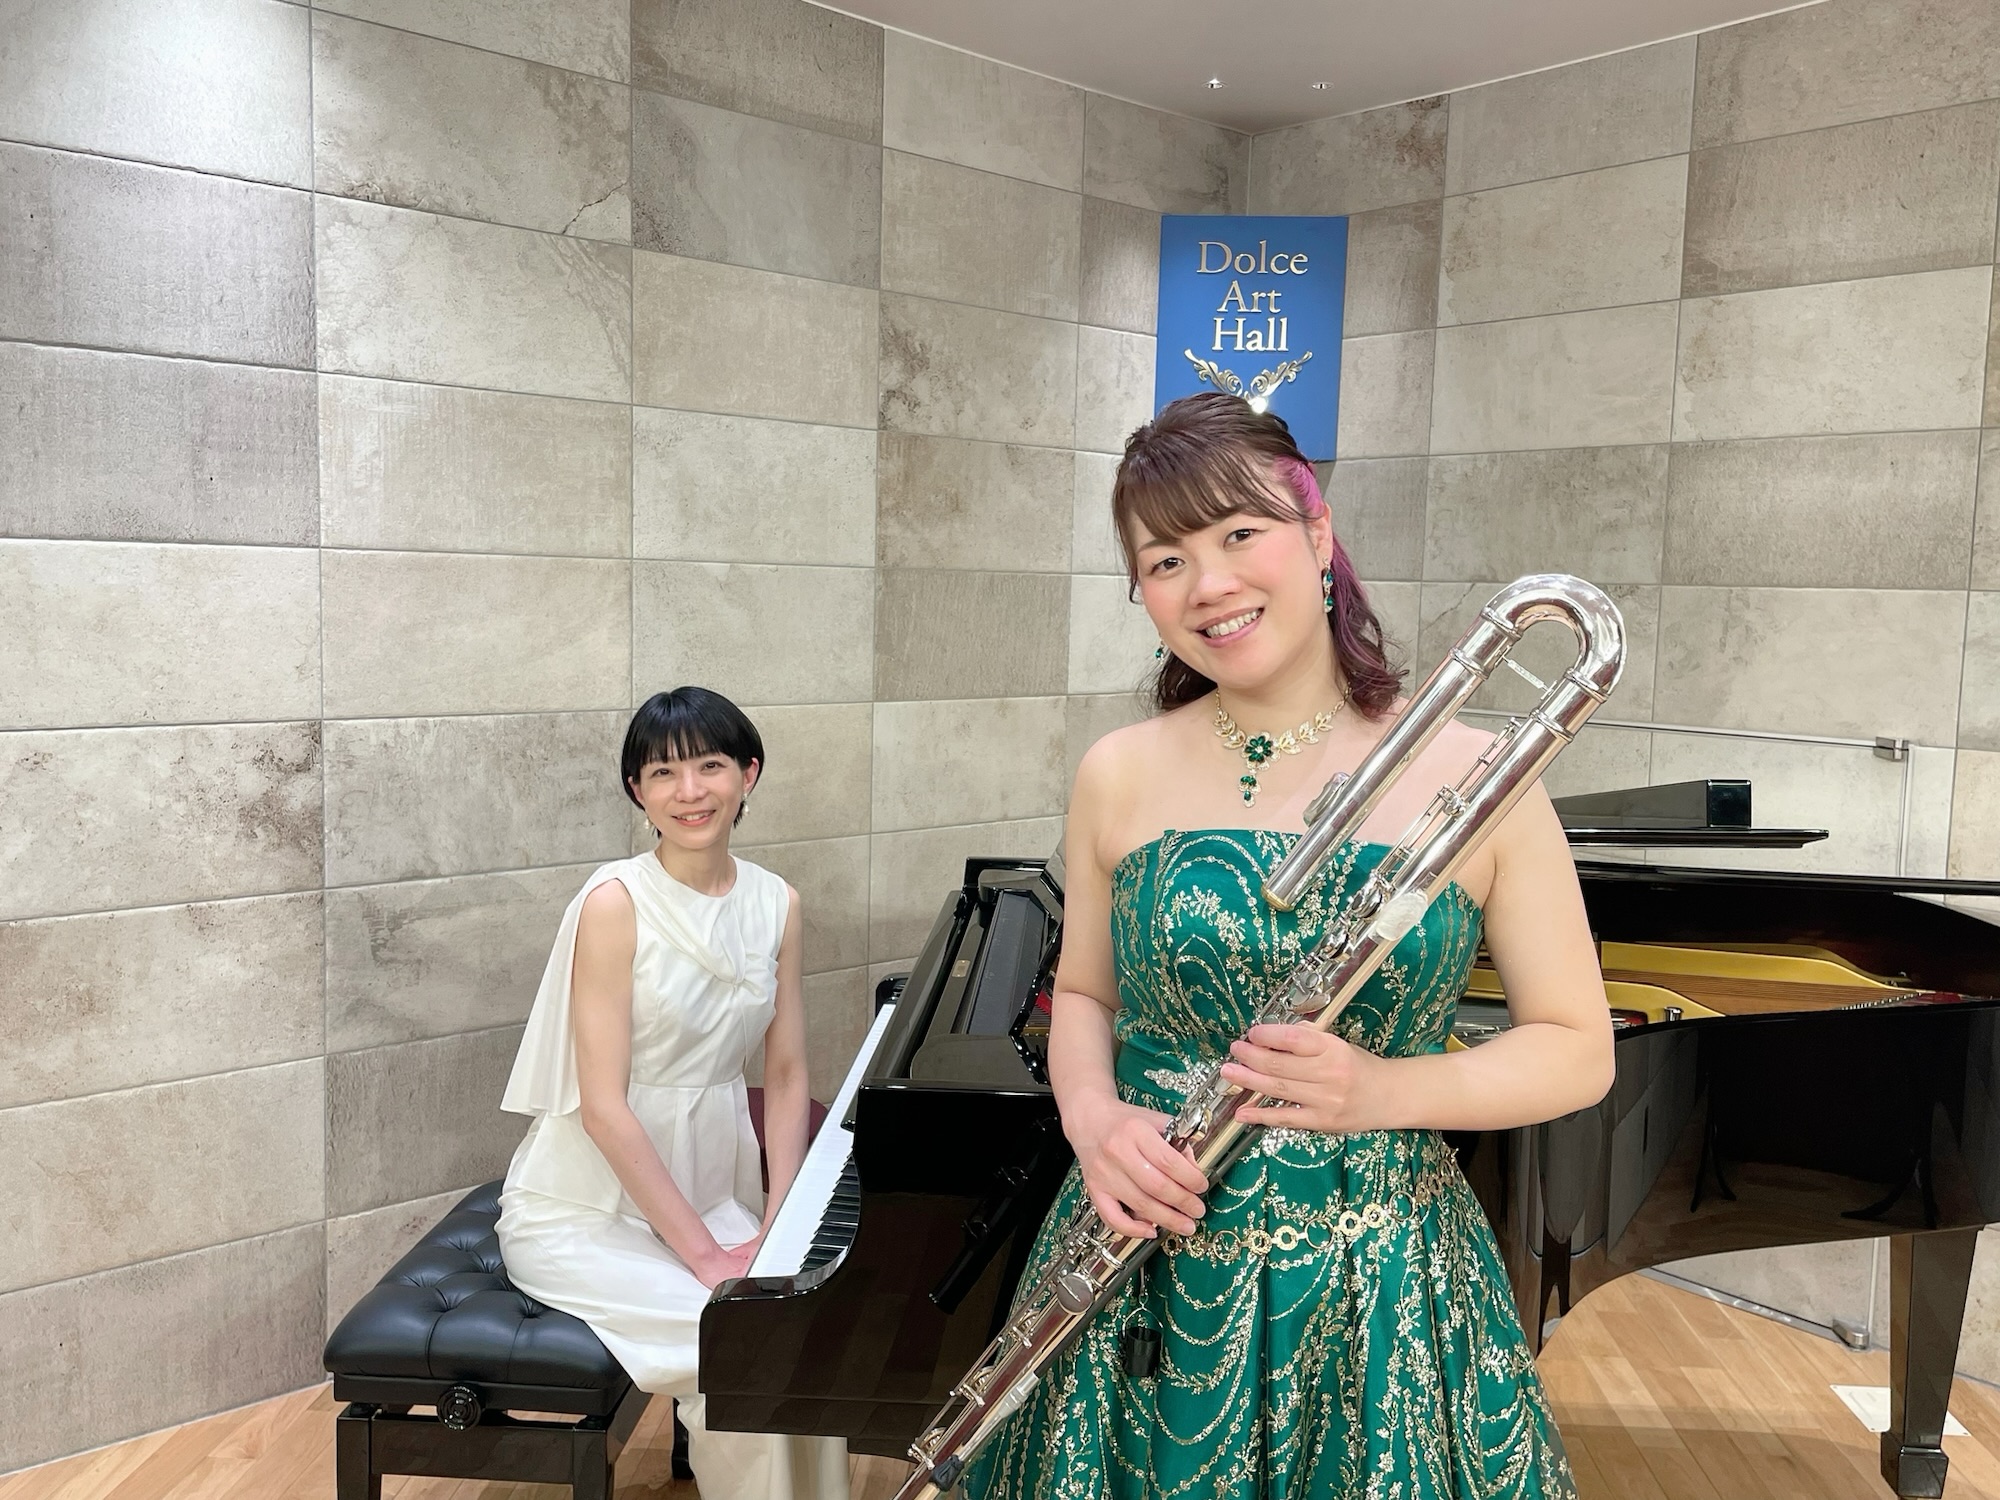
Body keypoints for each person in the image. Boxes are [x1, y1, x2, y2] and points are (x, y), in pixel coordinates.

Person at [961, 393, 1611, 1499]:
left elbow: (1576, 1049)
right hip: (1142, 1256)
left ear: (1318, 536)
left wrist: (1384, 1090)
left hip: (1381, 1276)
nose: (1207, 583)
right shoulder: (1117, 771)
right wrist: (1093, 1120)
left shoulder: (1477, 772)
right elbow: (1083, 997)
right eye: (1164, 561)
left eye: (1238, 533)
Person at [496, 686, 849, 1500]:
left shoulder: (778, 902)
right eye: (663, 773)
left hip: (713, 1194)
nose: (689, 791)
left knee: (803, 1332)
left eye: (710, 766)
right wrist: (706, 1257)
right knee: (737, 1348)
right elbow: (602, 1106)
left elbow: (786, 1073)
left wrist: (777, 1220)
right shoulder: (614, 903)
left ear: (748, 774)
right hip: (585, 1214)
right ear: (638, 791)